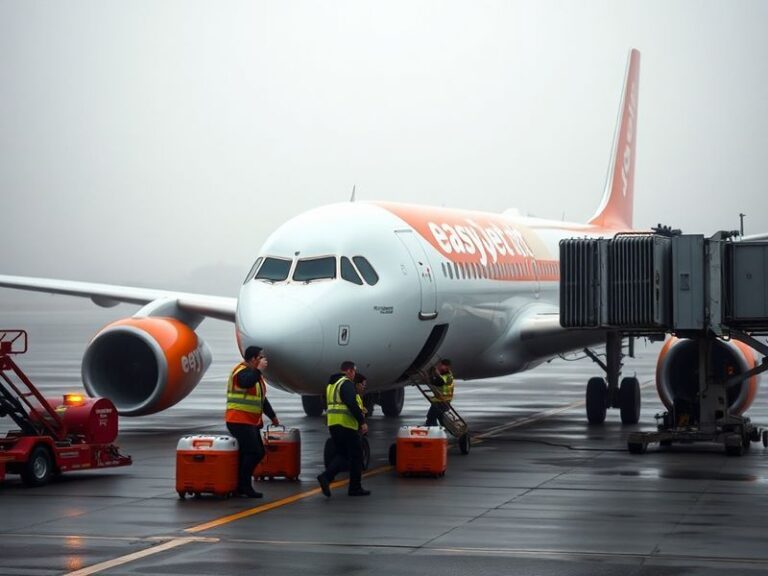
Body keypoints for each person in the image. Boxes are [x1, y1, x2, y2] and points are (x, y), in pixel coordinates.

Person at [225, 346, 279, 498]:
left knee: (249, 453)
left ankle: (240, 485)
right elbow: (245, 382)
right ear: (254, 359)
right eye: (260, 357)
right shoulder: (242, 372)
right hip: (239, 420)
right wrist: (259, 370)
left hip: (249, 421)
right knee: (255, 452)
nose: (263, 360)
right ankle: (245, 486)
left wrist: (272, 416)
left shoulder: (254, 375)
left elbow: (261, 399)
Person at [317, 361, 370, 497]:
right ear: (349, 371)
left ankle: (326, 477)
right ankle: (354, 488)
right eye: (354, 371)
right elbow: (351, 403)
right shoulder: (346, 383)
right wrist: (362, 421)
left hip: (333, 424)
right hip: (346, 425)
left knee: (343, 455)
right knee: (356, 456)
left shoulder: (331, 384)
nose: (354, 375)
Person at [425, 359, 454, 427]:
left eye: (441, 365)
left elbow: (435, 382)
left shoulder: (445, 377)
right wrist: (435, 374)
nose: (439, 367)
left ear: (446, 366)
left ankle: (433, 430)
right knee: (440, 418)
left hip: (441, 401)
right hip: (444, 401)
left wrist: (430, 376)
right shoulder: (447, 374)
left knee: (431, 417)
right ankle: (441, 430)